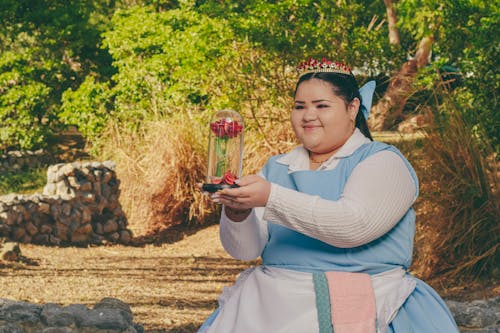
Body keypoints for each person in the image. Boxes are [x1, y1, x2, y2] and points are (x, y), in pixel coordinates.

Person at [198, 58, 459, 333]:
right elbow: (245, 250)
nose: (308, 115)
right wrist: (238, 213)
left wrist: (271, 197)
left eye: (321, 106)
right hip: (271, 305)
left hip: (369, 301)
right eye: (300, 107)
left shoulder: (383, 162)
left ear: (352, 108)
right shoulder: (277, 167)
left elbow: (353, 225)